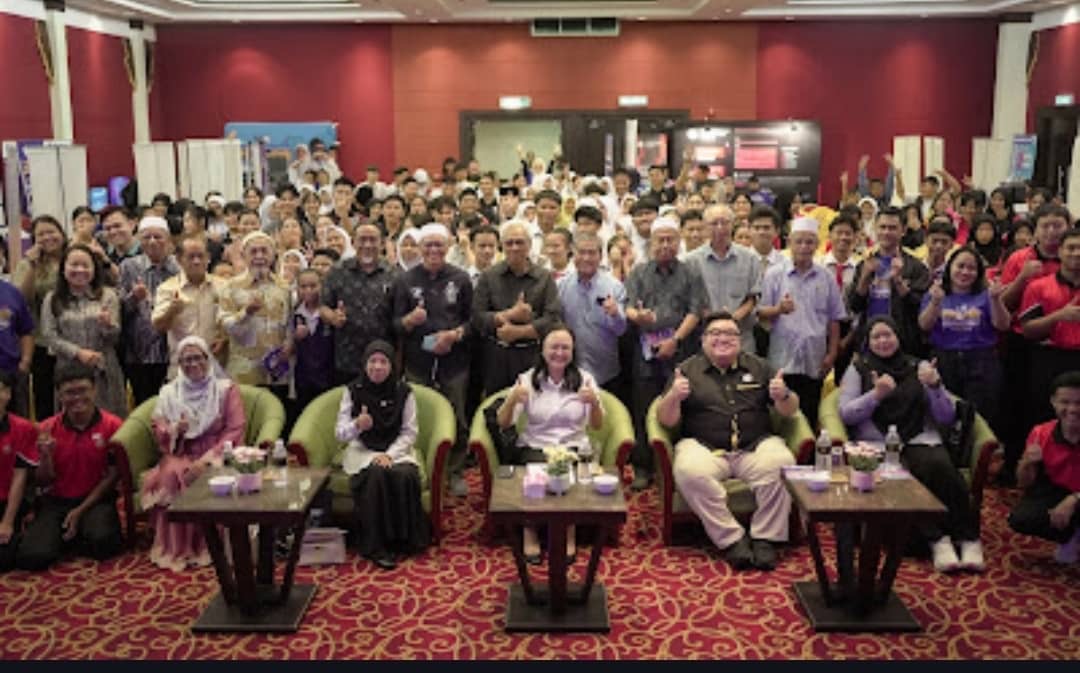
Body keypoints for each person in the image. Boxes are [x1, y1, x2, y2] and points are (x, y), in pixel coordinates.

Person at [838, 316, 984, 573]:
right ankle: (938, 540)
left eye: (888, 335)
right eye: (876, 337)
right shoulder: (858, 368)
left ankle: (968, 538)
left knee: (939, 467)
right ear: (867, 342)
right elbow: (846, 414)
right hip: (877, 444)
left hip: (919, 437)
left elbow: (946, 416)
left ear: (898, 337)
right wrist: (876, 395)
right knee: (900, 478)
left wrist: (935, 387)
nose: (883, 341)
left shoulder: (920, 367)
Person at [658, 310, 799, 570]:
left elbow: (790, 411)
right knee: (688, 472)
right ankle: (732, 539)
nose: (723, 338)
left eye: (730, 334)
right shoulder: (686, 370)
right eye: (715, 333)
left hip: (755, 446)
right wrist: (674, 397)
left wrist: (784, 395)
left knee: (783, 464)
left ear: (740, 339)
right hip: (704, 447)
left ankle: (765, 537)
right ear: (703, 340)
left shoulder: (759, 366)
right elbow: (666, 420)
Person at [496, 327, 604, 563]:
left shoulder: (585, 379)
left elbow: (597, 426)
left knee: (569, 472)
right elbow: (503, 423)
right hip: (535, 445)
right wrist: (512, 399)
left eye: (565, 348)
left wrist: (594, 403)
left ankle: (568, 531)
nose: (559, 353)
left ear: (573, 352)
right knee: (538, 472)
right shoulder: (527, 379)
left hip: (573, 446)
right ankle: (530, 531)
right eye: (554, 347)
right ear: (543, 350)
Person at [141, 336, 246, 571]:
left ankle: (209, 546)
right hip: (182, 452)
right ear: (179, 364)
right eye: (186, 360)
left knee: (206, 474)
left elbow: (235, 429)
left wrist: (206, 461)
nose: (192, 364)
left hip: (217, 452)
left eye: (198, 357)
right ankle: (180, 549)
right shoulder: (169, 392)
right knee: (173, 472)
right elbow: (158, 428)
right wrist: (174, 430)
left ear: (208, 359)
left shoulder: (225, 390)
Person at [15, 362, 123, 570]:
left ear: (94, 389)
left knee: (105, 543)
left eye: (83, 390)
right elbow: (42, 481)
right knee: (32, 557)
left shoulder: (112, 425)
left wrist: (81, 510)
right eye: (69, 393)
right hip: (56, 502)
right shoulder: (46, 429)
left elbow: (113, 476)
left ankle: (73, 531)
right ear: (59, 395)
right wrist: (46, 457)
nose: (77, 398)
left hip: (96, 499)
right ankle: (69, 533)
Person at [625, 218, 707, 491]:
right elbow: (628, 307)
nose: (665, 244)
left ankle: (676, 466)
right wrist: (638, 316)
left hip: (682, 351)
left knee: (681, 408)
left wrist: (675, 339)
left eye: (670, 239)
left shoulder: (691, 272)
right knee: (643, 408)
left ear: (679, 241)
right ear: (651, 243)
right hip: (646, 354)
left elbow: (696, 311)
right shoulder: (638, 272)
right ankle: (643, 467)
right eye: (659, 239)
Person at [392, 223, 473, 498]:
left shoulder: (461, 279)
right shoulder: (405, 280)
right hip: (418, 363)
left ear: (448, 247)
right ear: (420, 248)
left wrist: (454, 335)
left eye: (439, 244)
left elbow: (473, 321)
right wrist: (409, 320)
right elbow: (394, 324)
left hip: (454, 362)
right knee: (418, 418)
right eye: (428, 245)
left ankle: (455, 471)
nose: (434, 250)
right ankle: (424, 467)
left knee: (457, 417)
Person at [335, 341, 431, 570]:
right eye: (372, 361)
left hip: (396, 450)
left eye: (383, 362)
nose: (377, 367)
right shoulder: (352, 390)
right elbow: (340, 433)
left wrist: (390, 455)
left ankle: (404, 540)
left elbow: (410, 432)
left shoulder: (403, 392)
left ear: (391, 366)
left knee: (406, 475)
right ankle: (375, 546)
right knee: (376, 475)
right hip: (362, 451)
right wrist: (357, 425)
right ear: (365, 364)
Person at [758, 218, 846, 429]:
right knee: (781, 415)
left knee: (809, 414)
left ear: (817, 245)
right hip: (782, 358)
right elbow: (760, 313)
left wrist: (832, 354)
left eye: (809, 242)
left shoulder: (826, 277)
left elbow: (835, 319)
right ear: (789, 242)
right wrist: (779, 309)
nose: (804, 247)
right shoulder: (774, 274)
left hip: (814, 358)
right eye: (799, 242)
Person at [918, 247, 1010, 425]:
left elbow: (1003, 325)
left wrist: (996, 300)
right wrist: (935, 303)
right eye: (960, 266)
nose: (965, 272)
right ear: (950, 267)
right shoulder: (936, 292)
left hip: (981, 362)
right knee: (945, 416)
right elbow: (924, 325)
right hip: (945, 360)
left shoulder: (988, 294)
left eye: (971, 268)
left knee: (980, 418)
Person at [472, 221, 561, 396]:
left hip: (532, 355)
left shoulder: (544, 277)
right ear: (502, 246)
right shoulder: (489, 276)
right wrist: (509, 315)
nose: (514, 247)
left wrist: (518, 332)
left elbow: (553, 319)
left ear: (529, 245)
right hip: (496, 357)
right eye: (509, 243)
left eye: (519, 242)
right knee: (497, 405)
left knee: (533, 404)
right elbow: (477, 317)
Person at [40, 244, 126, 418]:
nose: (80, 270)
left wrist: (107, 325)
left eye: (85, 265)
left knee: (108, 421)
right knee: (72, 419)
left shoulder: (108, 295)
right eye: (74, 265)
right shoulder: (52, 298)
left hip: (102, 368)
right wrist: (78, 353)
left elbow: (114, 338)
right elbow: (49, 335)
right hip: (68, 369)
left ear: (94, 269)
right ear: (63, 268)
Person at [1009, 372, 1080, 563]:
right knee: (1021, 519)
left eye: (1079, 403)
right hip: (1058, 489)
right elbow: (1024, 483)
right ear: (1053, 402)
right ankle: (1070, 536)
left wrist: (1073, 500)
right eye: (1065, 402)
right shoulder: (1041, 432)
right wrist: (1027, 463)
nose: (1073, 409)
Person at [320, 224, 397, 386]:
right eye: (362, 240)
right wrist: (333, 317)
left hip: (382, 360)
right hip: (347, 357)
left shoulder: (394, 274)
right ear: (353, 242)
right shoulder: (337, 271)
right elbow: (323, 307)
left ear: (382, 244)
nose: (367, 245)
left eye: (373, 240)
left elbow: (400, 316)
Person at [848, 207, 931, 357]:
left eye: (892, 228)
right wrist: (864, 278)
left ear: (903, 230)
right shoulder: (864, 264)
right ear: (875, 229)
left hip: (904, 346)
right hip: (869, 343)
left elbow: (920, 308)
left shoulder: (916, 267)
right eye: (882, 227)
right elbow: (854, 306)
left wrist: (898, 282)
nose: (886, 232)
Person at [218, 232, 292, 397]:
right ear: (244, 255)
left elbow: (289, 324)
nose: (259, 256)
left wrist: (290, 344)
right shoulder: (231, 287)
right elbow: (225, 323)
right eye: (253, 251)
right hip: (244, 373)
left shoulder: (284, 287)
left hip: (277, 373)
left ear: (273, 255)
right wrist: (246, 312)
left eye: (264, 251)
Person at [557, 232, 628, 396]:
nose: (586, 258)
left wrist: (615, 314)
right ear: (572, 255)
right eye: (581, 252)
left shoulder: (614, 287)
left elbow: (621, 331)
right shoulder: (561, 286)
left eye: (592, 253)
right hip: (570, 370)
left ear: (600, 256)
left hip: (606, 373)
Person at [120, 216, 180, 405]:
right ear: (139, 240)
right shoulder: (128, 266)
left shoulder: (179, 267)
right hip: (139, 352)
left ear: (168, 239)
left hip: (172, 350)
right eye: (147, 237)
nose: (152, 241)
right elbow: (119, 310)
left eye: (158, 236)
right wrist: (134, 297)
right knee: (144, 404)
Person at [14, 215, 66, 419]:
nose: (47, 237)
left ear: (62, 233)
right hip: (42, 340)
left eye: (51, 232)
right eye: (41, 234)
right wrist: (33, 266)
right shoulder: (27, 264)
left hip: (74, 336)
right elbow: (21, 299)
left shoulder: (74, 256)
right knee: (44, 397)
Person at [152, 236, 225, 378]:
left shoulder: (224, 286)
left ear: (208, 258)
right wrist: (171, 311)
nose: (196, 261)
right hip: (182, 368)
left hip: (218, 366)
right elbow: (158, 327)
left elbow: (233, 323)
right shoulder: (167, 289)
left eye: (201, 256)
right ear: (179, 260)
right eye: (191, 257)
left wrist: (224, 339)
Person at [0, 371, 36, 571]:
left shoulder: (22, 428)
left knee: (4, 559)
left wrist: (7, 521)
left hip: (9, 502)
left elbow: (20, 478)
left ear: (7, 394)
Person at [290, 269, 334, 423]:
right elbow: (289, 348)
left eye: (313, 286)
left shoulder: (330, 314)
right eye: (303, 286)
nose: (308, 290)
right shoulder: (295, 314)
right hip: (303, 378)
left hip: (328, 377)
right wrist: (295, 337)